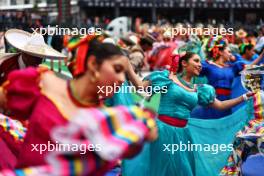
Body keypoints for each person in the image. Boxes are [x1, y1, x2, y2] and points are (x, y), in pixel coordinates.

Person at [0, 35, 156, 171]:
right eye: (117, 69)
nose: (122, 79)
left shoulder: (108, 119)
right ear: (93, 64)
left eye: (124, 73)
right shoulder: (41, 83)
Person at [122, 52, 258, 176]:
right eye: (196, 61)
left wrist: (244, 97)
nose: (200, 65)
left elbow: (220, 105)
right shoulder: (166, 78)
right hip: (163, 131)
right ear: (184, 63)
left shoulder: (199, 90)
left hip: (183, 134)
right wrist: (128, 67)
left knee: (183, 171)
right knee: (160, 169)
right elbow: (140, 87)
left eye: (200, 62)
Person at [191, 36, 264, 119]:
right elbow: (192, 70)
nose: (231, 54)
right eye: (229, 51)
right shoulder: (208, 65)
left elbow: (250, 67)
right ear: (221, 52)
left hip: (227, 104)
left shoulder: (233, 67)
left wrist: (261, 55)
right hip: (212, 104)